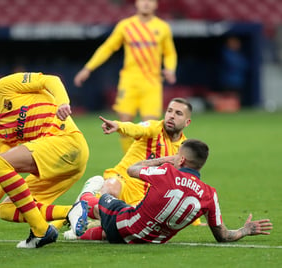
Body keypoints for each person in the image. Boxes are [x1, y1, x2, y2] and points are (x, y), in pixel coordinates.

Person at [0, 72, 90, 248]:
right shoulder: (2, 134)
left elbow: (51, 80)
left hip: (66, 141)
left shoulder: (4, 87)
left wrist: (63, 102)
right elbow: (5, 176)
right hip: (56, 167)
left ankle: (42, 231)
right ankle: (75, 211)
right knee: (7, 209)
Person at [81, 139, 273, 244]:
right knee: (119, 216)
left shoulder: (167, 172)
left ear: (180, 160)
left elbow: (132, 169)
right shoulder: (209, 194)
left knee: (101, 196)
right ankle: (78, 231)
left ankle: (77, 208)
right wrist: (245, 230)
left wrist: (165, 159)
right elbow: (223, 236)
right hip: (151, 241)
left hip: (123, 227)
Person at [64, 98, 204, 240]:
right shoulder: (154, 127)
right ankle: (85, 198)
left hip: (141, 197)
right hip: (123, 179)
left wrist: (196, 221)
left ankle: (79, 231)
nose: (171, 116)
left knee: (125, 231)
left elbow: (184, 183)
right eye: (169, 111)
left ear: (187, 122)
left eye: (178, 113)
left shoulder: (183, 150)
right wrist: (118, 126)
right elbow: (136, 128)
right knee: (111, 188)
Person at [74, 0, 177, 153]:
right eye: (143, 0)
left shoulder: (162, 27)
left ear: (156, 4)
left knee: (150, 126)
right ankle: (128, 162)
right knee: (124, 124)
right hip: (129, 82)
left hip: (152, 82)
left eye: (150, 1)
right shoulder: (126, 26)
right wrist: (88, 68)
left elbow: (169, 52)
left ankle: (146, 164)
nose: (146, 4)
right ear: (136, 3)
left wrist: (170, 69)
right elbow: (107, 48)